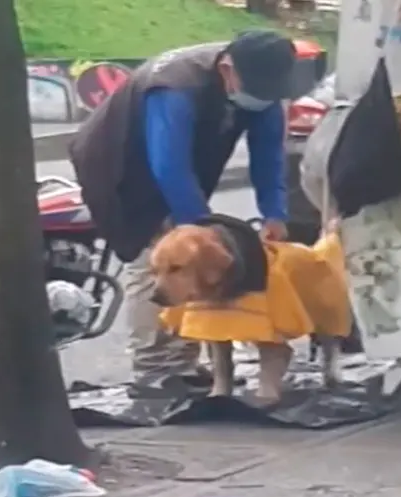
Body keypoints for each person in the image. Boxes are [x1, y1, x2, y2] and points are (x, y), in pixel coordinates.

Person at [69, 30, 296, 388]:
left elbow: (269, 154)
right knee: (162, 258)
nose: (264, 97)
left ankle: (185, 359)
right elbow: (169, 165)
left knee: (196, 262)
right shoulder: (174, 85)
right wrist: (198, 227)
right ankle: (157, 367)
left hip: (185, 161)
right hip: (119, 166)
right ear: (227, 69)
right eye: (257, 89)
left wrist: (274, 212)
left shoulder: (262, 90)